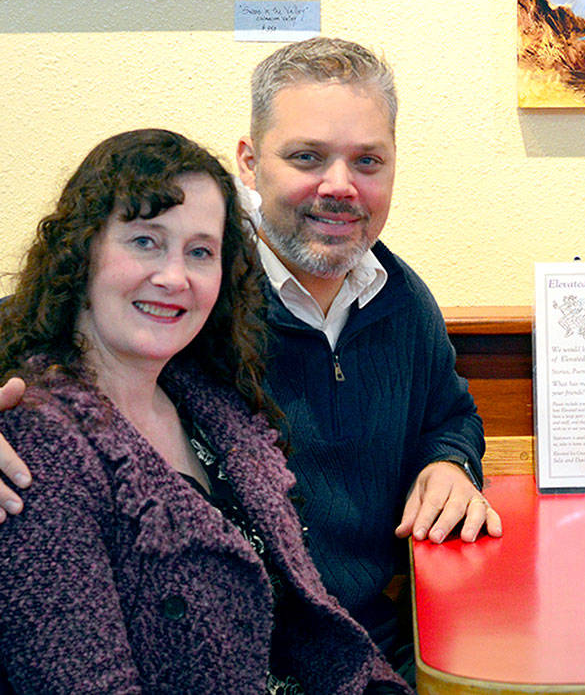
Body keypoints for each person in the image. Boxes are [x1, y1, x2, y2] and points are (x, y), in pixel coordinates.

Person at [0, 38, 501, 682]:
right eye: (306, 157)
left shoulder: (400, 297)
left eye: (367, 160)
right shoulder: (193, 309)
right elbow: (52, 311)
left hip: (360, 645)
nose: (340, 186)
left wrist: (450, 463)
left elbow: (449, 413)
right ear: (249, 162)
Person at [0, 129, 409, 694]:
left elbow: (313, 632)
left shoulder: (211, 403)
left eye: (200, 251)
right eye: (145, 241)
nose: (174, 277)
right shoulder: (38, 446)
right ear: (82, 249)